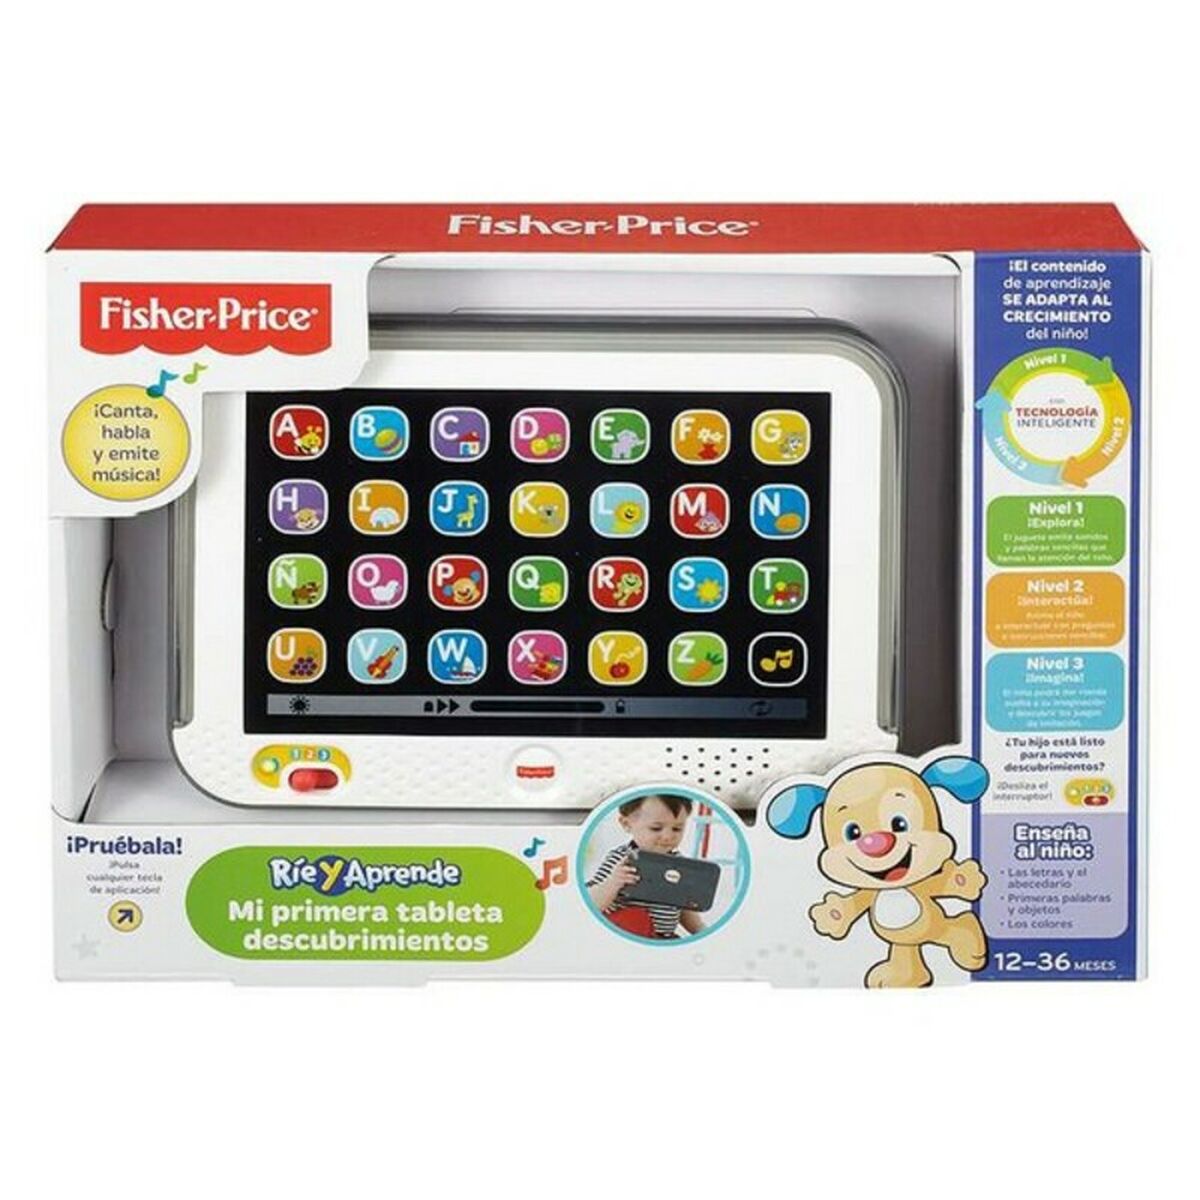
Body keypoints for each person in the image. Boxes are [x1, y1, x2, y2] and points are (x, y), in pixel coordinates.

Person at [587, 793, 705, 939]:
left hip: (664, 940)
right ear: (627, 824)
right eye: (656, 828)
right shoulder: (621, 859)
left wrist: (701, 931)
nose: (668, 836)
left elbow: (684, 908)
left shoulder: (679, 864)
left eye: (677, 829)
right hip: (626, 937)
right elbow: (591, 903)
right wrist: (613, 883)